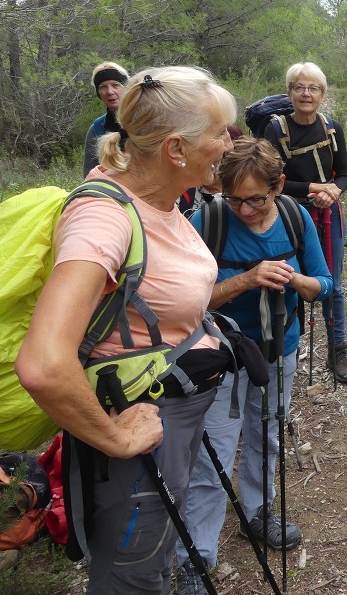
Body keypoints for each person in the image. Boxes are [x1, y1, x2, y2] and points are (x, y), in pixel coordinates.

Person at [16, 66, 237, 594]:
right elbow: (44, 364)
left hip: (169, 426)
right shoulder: (104, 219)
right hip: (136, 441)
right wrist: (115, 436)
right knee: (133, 577)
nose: (230, 143)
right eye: (221, 132)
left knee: (154, 559)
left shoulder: (161, 195)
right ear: (177, 149)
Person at [176, 137, 333, 593]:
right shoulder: (209, 219)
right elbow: (185, 300)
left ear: (279, 185)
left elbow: (324, 283)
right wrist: (245, 279)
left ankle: (256, 511)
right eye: (235, 199)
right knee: (215, 452)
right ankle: (196, 556)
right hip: (219, 354)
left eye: (256, 199)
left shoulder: (293, 215)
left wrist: (298, 281)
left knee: (266, 433)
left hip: (278, 349)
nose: (245, 209)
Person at [262, 62, 347, 384]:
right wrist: (317, 188)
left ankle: (337, 349)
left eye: (313, 88)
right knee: (292, 280)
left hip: (328, 217)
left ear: (322, 94)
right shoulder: (275, 130)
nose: (306, 94)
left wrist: (334, 192)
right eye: (299, 87)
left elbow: (344, 174)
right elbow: (271, 181)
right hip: (287, 216)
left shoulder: (332, 128)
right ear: (289, 92)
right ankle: (288, 348)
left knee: (333, 284)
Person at [179, 125, 243, 218]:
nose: (219, 162)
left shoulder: (244, 191)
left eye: (226, 156)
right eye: (211, 155)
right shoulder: (183, 193)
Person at [82, 61, 128, 177]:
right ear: (98, 93)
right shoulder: (97, 128)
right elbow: (89, 173)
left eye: (115, 85)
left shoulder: (146, 120)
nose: (110, 92)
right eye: (103, 87)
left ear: (127, 88)